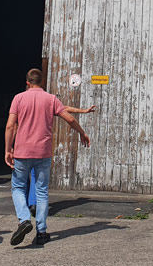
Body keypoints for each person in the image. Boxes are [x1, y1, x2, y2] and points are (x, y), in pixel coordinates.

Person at [5, 68, 91, 247]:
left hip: (22, 152)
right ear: (42, 82)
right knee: (42, 191)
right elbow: (69, 119)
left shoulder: (18, 98)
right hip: (43, 153)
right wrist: (82, 133)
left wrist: (8, 149)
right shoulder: (50, 99)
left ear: (27, 82)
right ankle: (41, 232)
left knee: (18, 187)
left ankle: (24, 220)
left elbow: (10, 126)